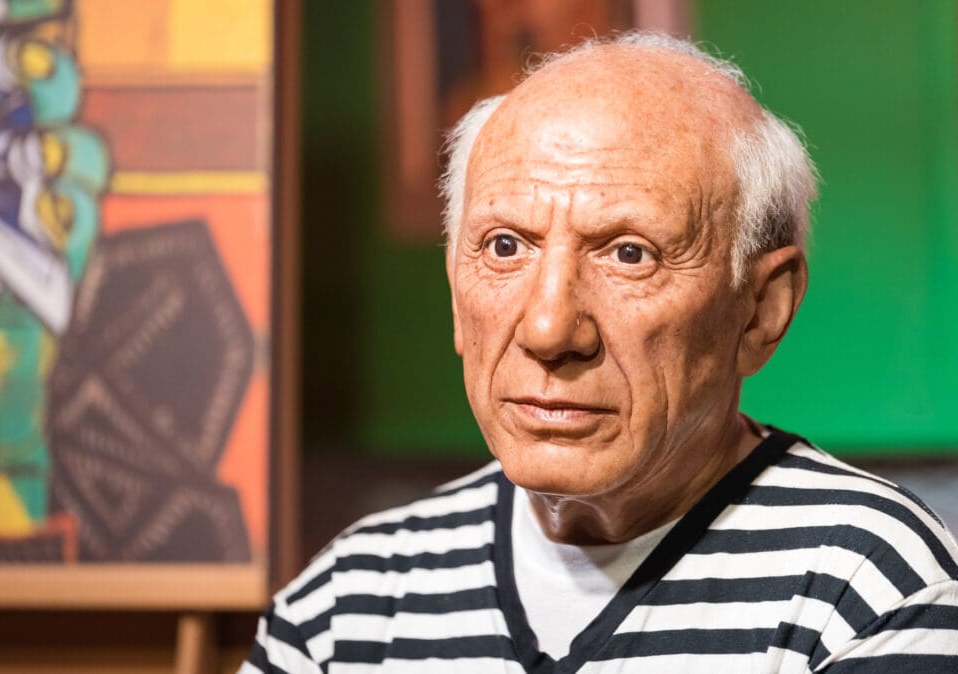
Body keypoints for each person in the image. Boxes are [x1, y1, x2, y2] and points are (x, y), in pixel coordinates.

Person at [241, 33, 958, 673]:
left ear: (761, 310)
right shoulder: (347, 608)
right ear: (458, 297)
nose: (549, 329)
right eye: (505, 246)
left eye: (628, 253)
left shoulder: (870, 592)